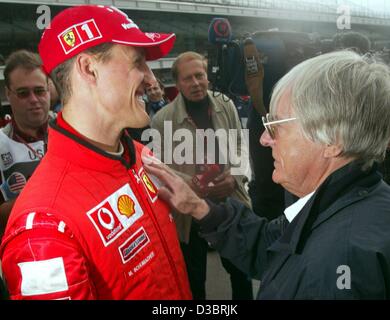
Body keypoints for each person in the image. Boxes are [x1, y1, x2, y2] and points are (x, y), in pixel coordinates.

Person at [144, 50, 390, 299]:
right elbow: (270, 248)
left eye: (276, 125)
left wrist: (234, 178)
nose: (263, 139)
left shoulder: (337, 268)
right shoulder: (329, 201)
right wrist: (199, 207)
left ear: (332, 140)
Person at [0, 5, 191, 300]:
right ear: (89, 69)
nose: (150, 78)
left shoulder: (139, 155)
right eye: (138, 62)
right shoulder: (43, 228)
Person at [151, 51, 253, 300]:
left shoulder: (225, 104)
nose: (195, 83)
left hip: (230, 201)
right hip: (189, 212)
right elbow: (161, 169)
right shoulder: (162, 119)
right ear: (177, 83)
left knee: (241, 272)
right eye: (188, 78)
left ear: (207, 77)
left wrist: (234, 178)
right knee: (195, 279)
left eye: (200, 76)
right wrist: (193, 187)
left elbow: (241, 146)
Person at [0, 50, 51, 240]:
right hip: (25, 248)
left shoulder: (72, 132)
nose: (34, 100)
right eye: (23, 93)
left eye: (39, 91)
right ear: (8, 94)